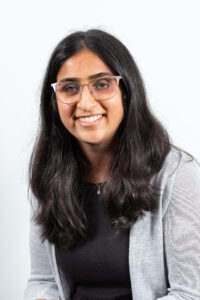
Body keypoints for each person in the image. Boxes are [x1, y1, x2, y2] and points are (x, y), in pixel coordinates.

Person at [24, 29, 200, 300]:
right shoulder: (49, 176)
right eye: (69, 88)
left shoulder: (177, 175)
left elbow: (189, 293)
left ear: (127, 91)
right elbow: (43, 280)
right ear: (54, 100)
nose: (85, 102)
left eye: (102, 84)